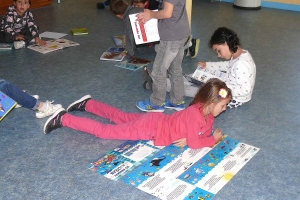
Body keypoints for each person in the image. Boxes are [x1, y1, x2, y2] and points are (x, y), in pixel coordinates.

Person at [44, 78, 232, 149]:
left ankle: (88, 104)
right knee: (105, 131)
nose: (224, 109)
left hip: (156, 120)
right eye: (223, 105)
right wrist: (211, 140)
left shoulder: (206, 114)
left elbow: (200, 132)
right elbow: (196, 142)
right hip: (150, 127)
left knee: (120, 117)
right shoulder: (194, 114)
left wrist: (189, 136)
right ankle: (64, 118)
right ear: (211, 102)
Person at [135, 0, 190, 112]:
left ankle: (156, 103)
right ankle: (177, 101)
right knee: (175, 70)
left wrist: (150, 14)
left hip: (171, 37)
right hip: (180, 34)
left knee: (158, 71)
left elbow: (167, 13)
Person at [197, 27, 256, 108]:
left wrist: (224, 89)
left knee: (207, 100)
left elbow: (245, 90)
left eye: (219, 50)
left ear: (226, 43)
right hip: (229, 87)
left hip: (236, 99)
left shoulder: (241, 64)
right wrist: (208, 65)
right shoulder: (239, 55)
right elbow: (227, 65)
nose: (218, 55)